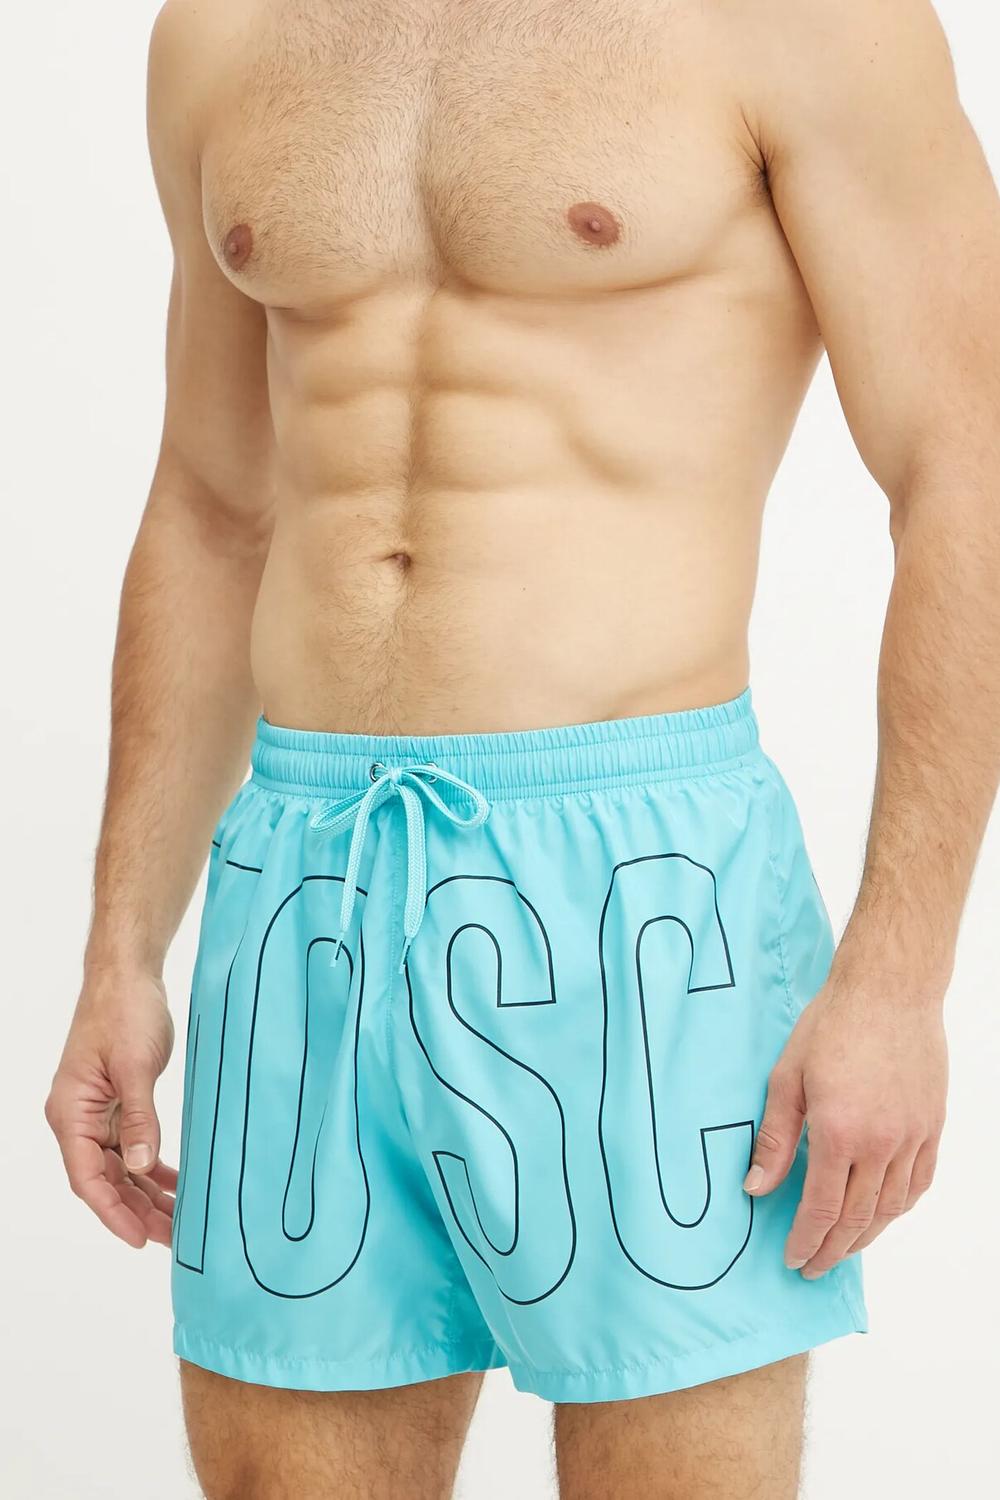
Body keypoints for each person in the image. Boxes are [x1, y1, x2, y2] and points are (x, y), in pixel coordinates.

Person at [45, 1, 1000, 1496]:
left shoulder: (804, 23)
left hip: (643, 885)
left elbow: (968, 465)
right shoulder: (223, 33)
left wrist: (899, 977)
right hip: (305, 887)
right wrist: (120, 947)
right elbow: (212, 504)